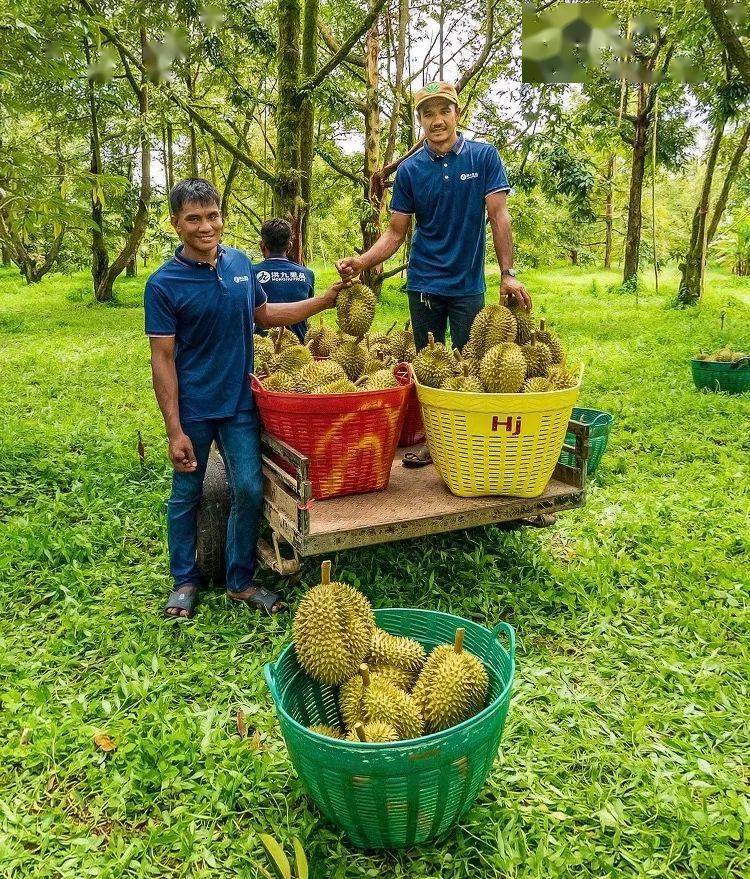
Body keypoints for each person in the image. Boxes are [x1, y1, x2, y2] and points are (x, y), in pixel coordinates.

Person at [144, 179, 347, 619]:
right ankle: (184, 579)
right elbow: (162, 360)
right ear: (175, 223)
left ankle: (239, 580)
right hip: (194, 406)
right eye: (193, 218)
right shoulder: (163, 284)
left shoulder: (240, 264)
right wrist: (173, 428)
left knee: (251, 489)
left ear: (222, 216)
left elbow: (265, 314)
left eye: (212, 215)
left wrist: (323, 302)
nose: (205, 226)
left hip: (239, 402)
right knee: (186, 493)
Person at [336, 81, 532, 353]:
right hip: (424, 284)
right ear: (420, 120)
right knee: (428, 361)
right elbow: (395, 233)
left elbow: (499, 216)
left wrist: (507, 274)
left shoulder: (484, 157)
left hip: (468, 284)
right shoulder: (409, 170)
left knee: (470, 363)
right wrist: (362, 261)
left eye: (444, 111)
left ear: (457, 114)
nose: (437, 120)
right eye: (428, 114)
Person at [254, 218, 314, 343]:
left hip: (261, 345)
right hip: (299, 348)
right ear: (289, 245)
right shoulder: (307, 274)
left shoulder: (250, 273)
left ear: (262, 245)